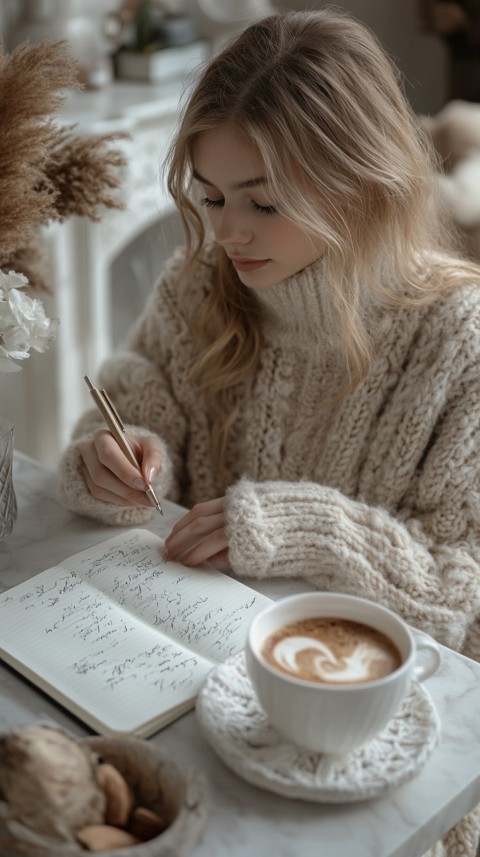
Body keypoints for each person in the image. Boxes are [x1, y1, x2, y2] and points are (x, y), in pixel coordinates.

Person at [58, 9, 480, 854]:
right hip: (187, 690)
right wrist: (117, 456)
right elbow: (140, 400)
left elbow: (454, 589)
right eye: (211, 197)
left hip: (366, 747)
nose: (227, 232)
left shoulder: (456, 339)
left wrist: (299, 523)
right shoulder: (201, 282)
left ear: (361, 183)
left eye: (263, 202)